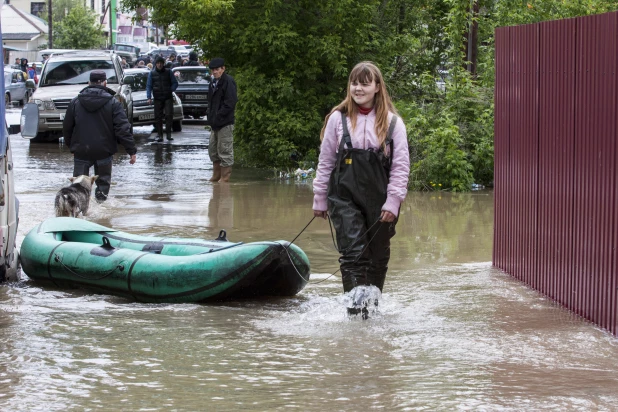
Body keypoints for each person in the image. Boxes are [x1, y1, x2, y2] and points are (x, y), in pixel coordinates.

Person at [312, 61, 410, 316]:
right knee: (354, 254)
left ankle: (372, 312)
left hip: (381, 200)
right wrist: (320, 197)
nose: (358, 88)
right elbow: (325, 162)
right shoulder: (337, 119)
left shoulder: (393, 123)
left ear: (377, 87)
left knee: (377, 257)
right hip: (343, 198)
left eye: (365, 83)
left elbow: (400, 168)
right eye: (355, 83)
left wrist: (393, 202)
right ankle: (356, 315)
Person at [62, 70, 137, 203]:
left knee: (78, 186)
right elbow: (123, 129)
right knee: (103, 185)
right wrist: (131, 150)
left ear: (89, 83)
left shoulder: (75, 102)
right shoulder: (113, 103)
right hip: (104, 150)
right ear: (105, 83)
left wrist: (72, 147)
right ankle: (100, 211)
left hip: (81, 150)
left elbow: (67, 127)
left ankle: (78, 212)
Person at [207, 57, 237, 182]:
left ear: (223, 69)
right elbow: (210, 102)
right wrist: (210, 116)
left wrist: (218, 116)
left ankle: (224, 179)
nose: (214, 72)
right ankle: (216, 176)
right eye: (213, 70)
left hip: (225, 123)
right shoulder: (213, 83)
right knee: (213, 151)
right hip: (215, 123)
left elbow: (230, 103)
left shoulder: (228, 81)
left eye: (217, 69)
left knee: (225, 151)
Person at [146, 56, 179, 142]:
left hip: (167, 97)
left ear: (163, 64)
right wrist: (149, 97)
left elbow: (175, 83)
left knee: (169, 115)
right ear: (156, 64)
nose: (159, 65)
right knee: (158, 117)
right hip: (157, 97)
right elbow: (149, 86)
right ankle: (160, 135)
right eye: (158, 63)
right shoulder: (152, 73)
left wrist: (171, 90)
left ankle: (168, 134)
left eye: (161, 63)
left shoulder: (168, 72)